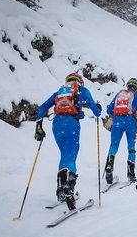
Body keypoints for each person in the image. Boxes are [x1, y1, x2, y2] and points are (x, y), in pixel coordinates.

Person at [34, 73, 101, 210]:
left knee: (64, 155)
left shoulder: (59, 92)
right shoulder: (82, 91)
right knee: (71, 157)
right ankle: (68, 190)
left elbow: (42, 107)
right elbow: (96, 112)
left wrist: (39, 125)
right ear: (80, 82)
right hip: (72, 125)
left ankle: (60, 191)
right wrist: (98, 109)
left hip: (57, 125)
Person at [104, 78, 137, 184]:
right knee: (131, 148)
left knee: (114, 146)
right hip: (130, 122)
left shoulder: (119, 95)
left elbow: (109, 110)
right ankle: (131, 174)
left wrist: (117, 114)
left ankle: (109, 168)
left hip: (117, 121)